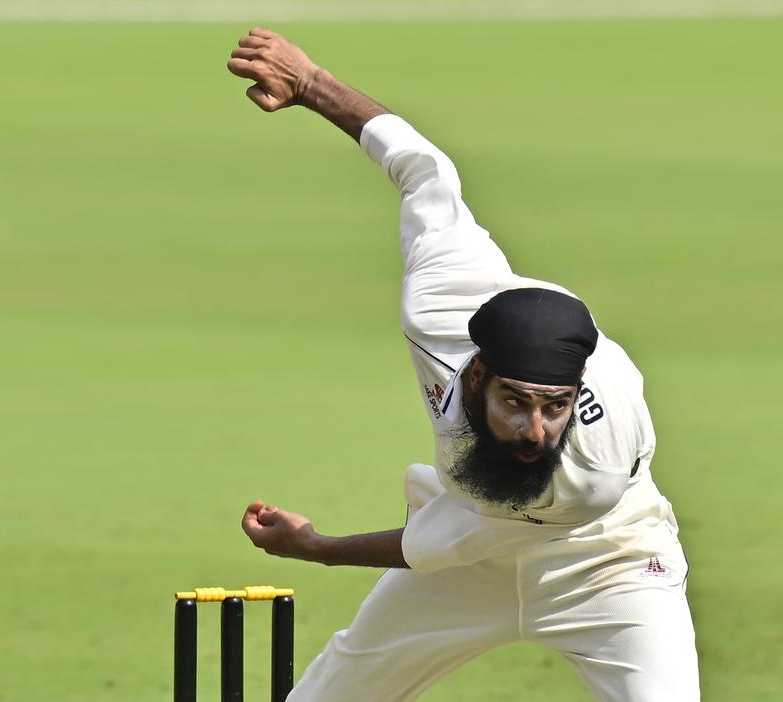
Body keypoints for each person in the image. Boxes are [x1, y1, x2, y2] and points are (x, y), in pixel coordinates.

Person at [230, 27, 700, 701]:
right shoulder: (445, 296)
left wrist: (319, 547)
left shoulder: (587, 468)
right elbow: (425, 169)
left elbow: (439, 542)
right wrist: (311, 85)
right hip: (466, 564)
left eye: (555, 406)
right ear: (475, 375)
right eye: (516, 402)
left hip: (607, 566)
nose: (537, 430)